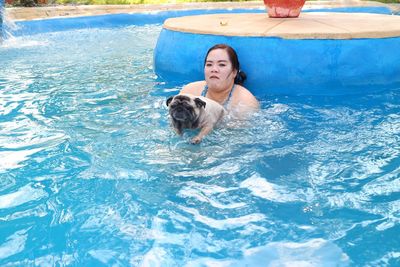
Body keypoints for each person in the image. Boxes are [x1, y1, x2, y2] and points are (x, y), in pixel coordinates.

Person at [180, 44, 259, 118]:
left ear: (234, 72)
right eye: (209, 64)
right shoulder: (189, 92)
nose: (214, 69)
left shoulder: (245, 104)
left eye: (222, 65)